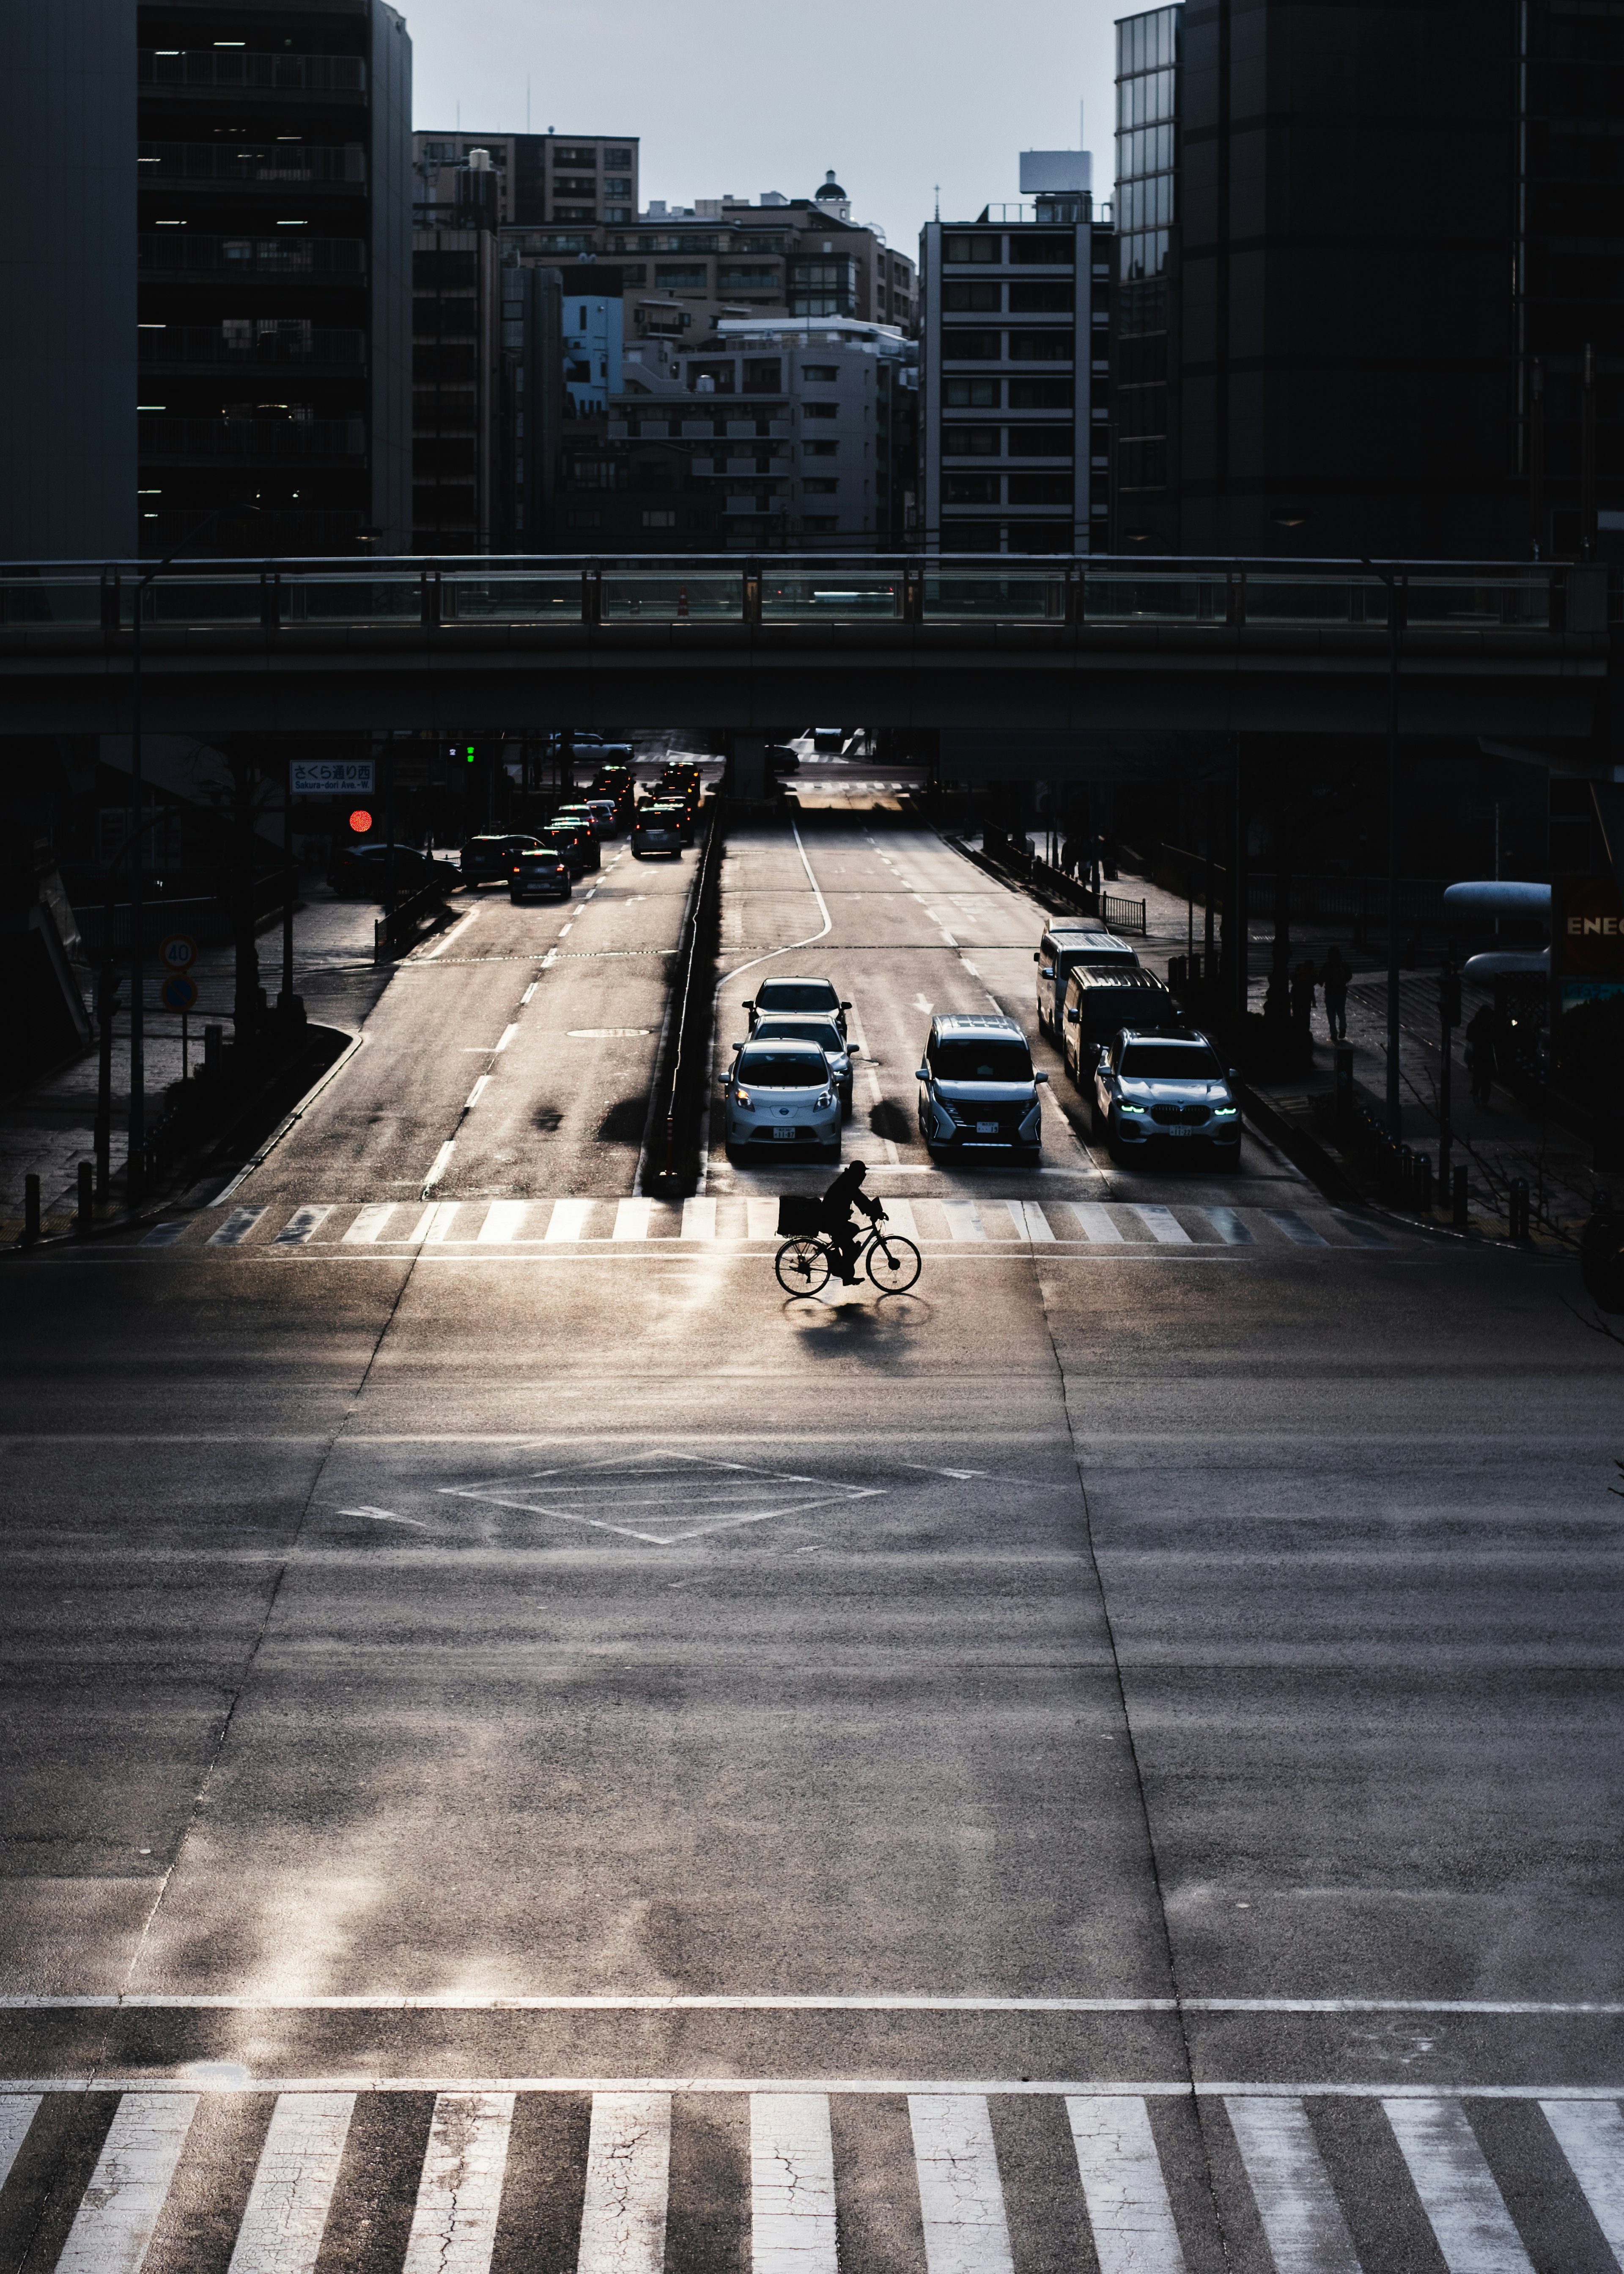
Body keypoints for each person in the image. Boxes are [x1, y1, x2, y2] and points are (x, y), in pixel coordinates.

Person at [820, 1159, 881, 1284]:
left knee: (851, 1235)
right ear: (857, 1173)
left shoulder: (847, 1179)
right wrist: (876, 1213)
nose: (864, 1176)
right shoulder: (848, 1183)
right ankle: (845, 1274)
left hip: (832, 1219)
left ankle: (842, 1266)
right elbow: (861, 1200)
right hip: (831, 1220)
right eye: (863, 1173)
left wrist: (873, 1212)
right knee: (851, 1244)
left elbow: (861, 1200)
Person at [1465, 1002, 1497, 1107]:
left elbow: (1469, 1037)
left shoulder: (1476, 1024)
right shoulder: (1488, 1025)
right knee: (1482, 1078)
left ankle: (1481, 1098)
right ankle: (1481, 1097)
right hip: (1482, 1054)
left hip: (1482, 1054)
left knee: (1483, 1078)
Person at [1321, 947, 1351, 1042]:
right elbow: (1349, 976)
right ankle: (1343, 1027)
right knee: (1341, 1011)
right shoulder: (1344, 964)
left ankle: (1334, 1033)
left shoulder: (1328, 965)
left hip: (1330, 992)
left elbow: (1322, 977)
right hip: (1342, 992)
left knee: (1331, 1013)